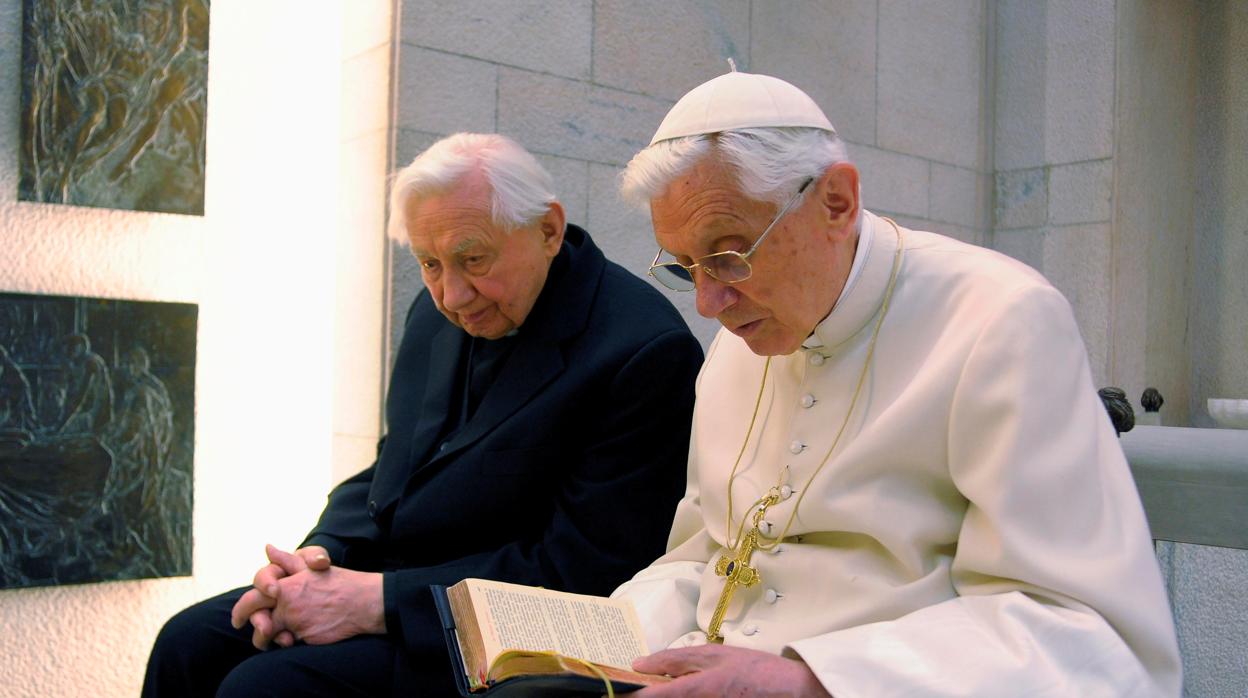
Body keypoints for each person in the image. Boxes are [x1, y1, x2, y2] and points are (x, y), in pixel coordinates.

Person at [610, 70, 1182, 696]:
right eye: (685, 266)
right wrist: (602, 633)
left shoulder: (1001, 319)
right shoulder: (736, 345)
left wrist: (809, 683)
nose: (708, 303)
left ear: (836, 201)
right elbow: (704, 555)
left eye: (729, 253)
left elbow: (1081, 631)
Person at [142, 133, 704, 697]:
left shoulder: (643, 350)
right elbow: (391, 470)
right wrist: (313, 563)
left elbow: (586, 568)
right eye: (429, 263)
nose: (452, 295)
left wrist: (379, 603)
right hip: (387, 582)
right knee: (186, 644)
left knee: (262, 689)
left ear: (548, 230)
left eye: (473, 259)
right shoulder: (437, 309)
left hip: (496, 636)